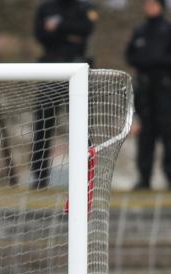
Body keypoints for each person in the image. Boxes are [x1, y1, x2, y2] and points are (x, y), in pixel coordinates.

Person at [30, 0, 98, 189]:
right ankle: (39, 176)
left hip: (77, 71)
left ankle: (84, 175)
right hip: (50, 71)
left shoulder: (85, 8)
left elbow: (86, 29)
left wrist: (58, 26)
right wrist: (70, 34)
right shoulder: (46, 8)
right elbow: (41, 35)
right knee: (43, 125)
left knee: (81, 126)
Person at [126, 0, 171, 191]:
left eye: (153, 4)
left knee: (166, 132)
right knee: (145, 133)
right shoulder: (139, 30)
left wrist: (157, 61)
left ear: (161, 6)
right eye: (147, 4)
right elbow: (130, 55)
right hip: (144, 87)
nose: (149, 7)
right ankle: (144, 178)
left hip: (164, 87)